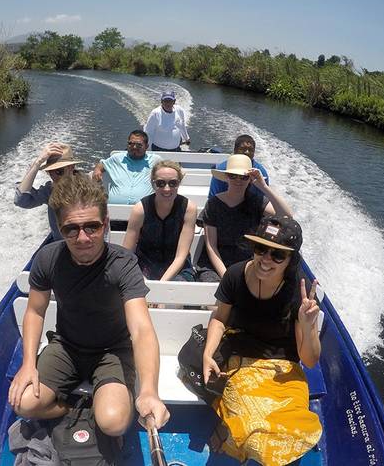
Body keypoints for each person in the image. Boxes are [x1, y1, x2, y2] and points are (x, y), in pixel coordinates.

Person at [8, 173, 170, 438]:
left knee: (114, 423)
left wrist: (149, 391)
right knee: (23, 403)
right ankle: (70, 408)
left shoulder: (123, 264)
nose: (83, 237)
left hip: (113, 352)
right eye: (71, 228)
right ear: (60, 229)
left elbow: (141, 329)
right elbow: (35, 312)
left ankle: (98, 405)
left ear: (105, 224)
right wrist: (28, 364)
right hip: (66, 347)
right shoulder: (48, 258)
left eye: (92, 227)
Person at [202, 215, 322, 465]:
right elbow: (220, 318)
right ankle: (231, 430)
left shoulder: (298, 292)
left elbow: (309, 360)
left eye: (278, 255)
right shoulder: (235, 274)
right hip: (241, 361)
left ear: (290, 261)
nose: (266, 259)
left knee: (290, 433)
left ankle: (229, 433)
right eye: (261, 248)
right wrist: (207, 354)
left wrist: (309, 326)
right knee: (255, 433)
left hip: (284, 370)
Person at [197, 154, 292, 282]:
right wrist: (227, 278)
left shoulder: (257, 202)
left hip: (248, 264)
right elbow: (211, 246)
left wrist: (263, 187)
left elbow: (287, 216)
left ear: (249, 179)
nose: (238, 180)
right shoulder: (213, 204)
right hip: (215, 265)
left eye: (243, 177)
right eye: (233, 176)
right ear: (226, 178)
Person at [122, 160, 198, 281]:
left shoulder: (188, 209)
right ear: (153, 184)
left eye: (173, 183)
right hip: (143, 268)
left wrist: (161, 285)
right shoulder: (140, 209)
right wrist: (144, 281)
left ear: (179, 183)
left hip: (178, 269)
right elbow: (127, 253)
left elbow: (181, 256)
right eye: (160, 183)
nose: (167, 189)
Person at [14, 143, 80, 241]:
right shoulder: (50, 190)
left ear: (71, 167)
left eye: (59, 171)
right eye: (50, 172)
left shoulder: (88, 189)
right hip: (59, 242)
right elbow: (21, 201)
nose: (54, 177)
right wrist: (37, 163)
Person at [92, 130, 162, 205]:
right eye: (130, 144)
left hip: (144, 211)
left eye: (139, 145)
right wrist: (97, 170)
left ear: (146, 146)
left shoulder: (155, 160)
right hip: (114, 209)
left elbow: (170, 169)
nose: (134, 147)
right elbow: (101, 164)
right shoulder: (117, 158)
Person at [208, 134, 270, 199]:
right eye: (242, 149)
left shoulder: (261, 172)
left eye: (250, 150)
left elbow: (264, 199)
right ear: (235, 150)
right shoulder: (222, 169)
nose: (247, 152)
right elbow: (213, 197)